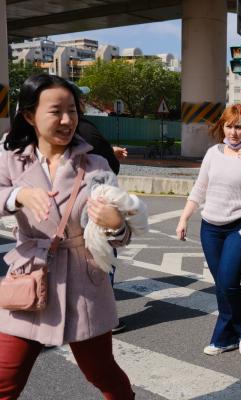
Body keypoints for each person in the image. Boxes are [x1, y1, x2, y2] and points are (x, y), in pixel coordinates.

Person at [0, 74, 135, 399]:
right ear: (30, 116)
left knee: (104, 375)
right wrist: (18, 195)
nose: (66, 120)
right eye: (56, 111)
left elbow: (121, 238)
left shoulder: (96, 165)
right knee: (4, 379)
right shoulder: (11, 159)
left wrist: (115, 223)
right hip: (29, 280)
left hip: (83, 285)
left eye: (72, 111)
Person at [176, 104, 241, 356]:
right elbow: (199, 188)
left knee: (228, 282)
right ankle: (239, 330)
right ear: (222, 127)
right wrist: (184, 218)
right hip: (210, 228)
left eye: (239, 126)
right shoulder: (213, 153)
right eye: (229, 126)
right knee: (221, 285)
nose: (234, 132)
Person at [77, 115, 129, 333]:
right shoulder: (80, 127)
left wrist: (110, 151)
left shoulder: (81, 128)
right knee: (103, 265)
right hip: (93, 215)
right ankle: (103, 318)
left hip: (93, 214)